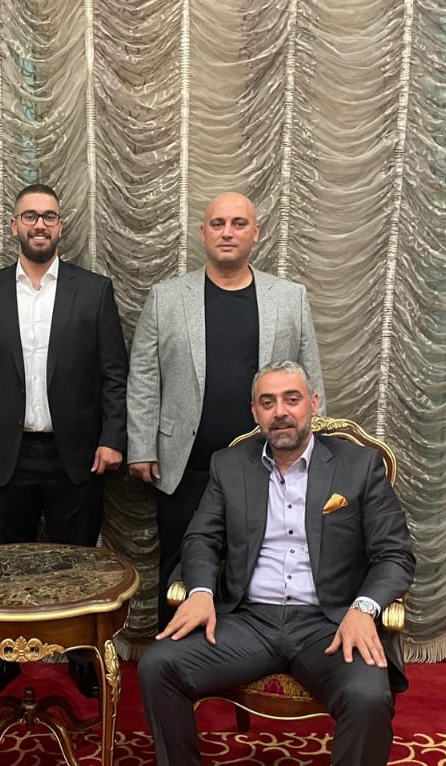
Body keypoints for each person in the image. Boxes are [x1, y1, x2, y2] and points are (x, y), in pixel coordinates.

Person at [118, 361, 414, 766]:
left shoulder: (357, 466)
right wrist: (200, 590)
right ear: (255, 413)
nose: (281, 412)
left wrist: (364, 608)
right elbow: (201, 537)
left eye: (292, 399)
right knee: (159, 664)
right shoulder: (230, 465)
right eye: (268, 402)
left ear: (313, 404)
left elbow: (395, 554)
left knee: (369, 695)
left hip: (327, 624)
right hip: (249, 621)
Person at [0, 183, 128, 699]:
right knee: (5, 566)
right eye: (29, 216)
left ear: (60, 226)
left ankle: (80, 657)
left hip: (78, 454)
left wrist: (112, 437)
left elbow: (113, 374)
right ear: (14, 225)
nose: (39, 225)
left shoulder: (93, 291)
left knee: (79, 565)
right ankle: (3, 660)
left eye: (48, 216)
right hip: (6, 454)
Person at [126, 192, 325, 628]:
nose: (227, 232)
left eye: (238, 224)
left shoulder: (289, 297)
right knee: (179, 567)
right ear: (203, 233)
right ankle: (174, 656)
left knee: (256, 566)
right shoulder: (166, 297)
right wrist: (141, 446)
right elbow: (143, 377)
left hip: (267, 464)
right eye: (217, 224)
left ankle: (246, 652)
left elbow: (310, 379)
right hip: (185, 465)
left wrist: (314, 452)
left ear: (256, 233)